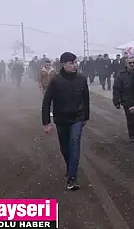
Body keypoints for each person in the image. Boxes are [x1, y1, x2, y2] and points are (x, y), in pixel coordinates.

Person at [41, 52, 89, 190]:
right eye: (71, 63)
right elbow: (47, 102)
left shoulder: (81, 79)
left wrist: (85, 117)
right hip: (61, 119)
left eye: (75, 62)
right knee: (65, 147)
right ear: (63, 64)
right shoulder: (56, 81)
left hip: (77, 118)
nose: (74, 65)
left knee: (74, 143)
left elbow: (86, 99)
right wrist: (46, 123)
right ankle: (70, 168)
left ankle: (72, 178)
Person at [112, 56, 134, 142]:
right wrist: (117, 101)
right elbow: (116, 88)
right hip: (127, 99)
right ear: (126, 64)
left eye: (133, 63)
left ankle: (133, 128)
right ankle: (132, 135)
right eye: (130, 63)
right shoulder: (121, 75)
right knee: (130, 118)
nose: (132, 64)